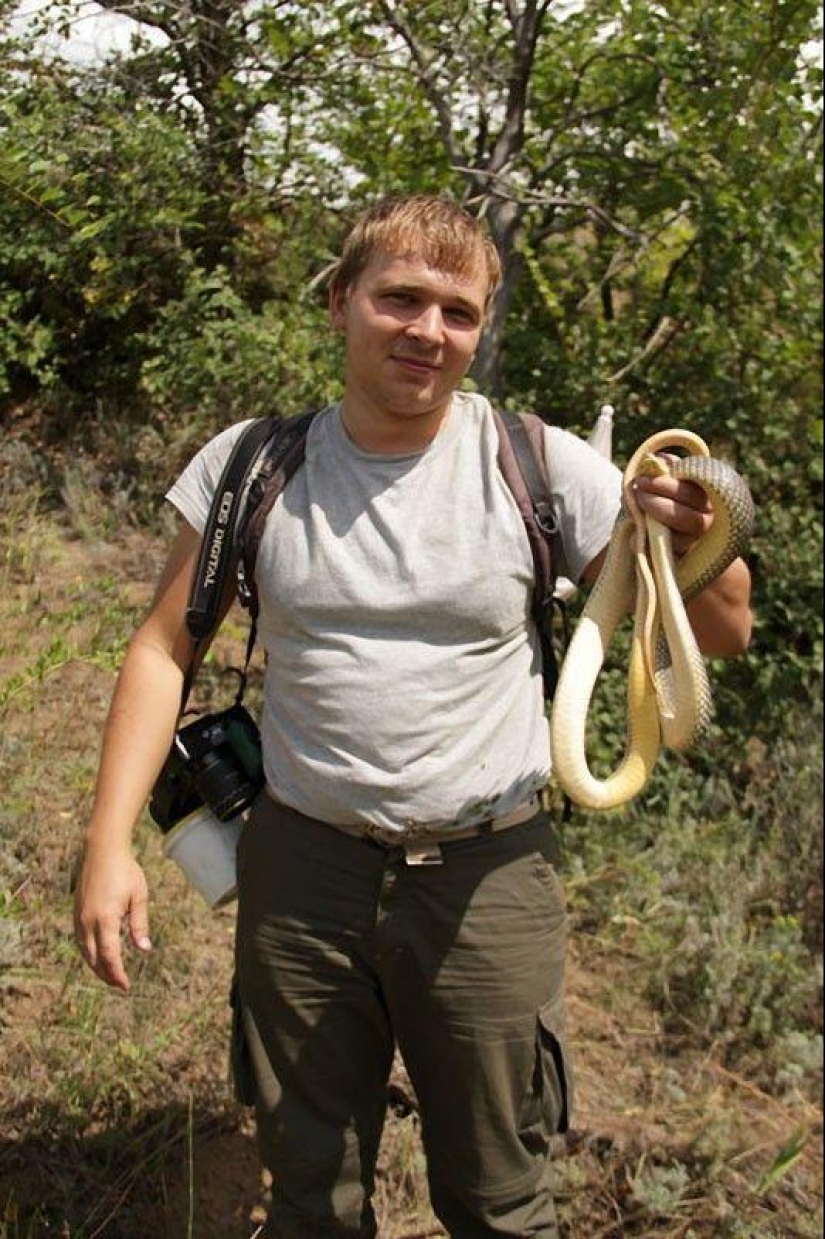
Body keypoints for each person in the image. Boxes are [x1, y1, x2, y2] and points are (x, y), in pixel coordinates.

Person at [75, 194, 753, 1238]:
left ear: (481, 330)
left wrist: (702, 539)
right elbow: (165, 647)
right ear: (342, 302)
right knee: (308, 1189)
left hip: (489, 879)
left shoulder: (542, 465)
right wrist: (108, 843)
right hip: (302, 872)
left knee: (502, 1200)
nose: (427, 331)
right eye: (399, 299)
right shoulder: (254, 466)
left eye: (458, 312)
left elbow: (721, 636)